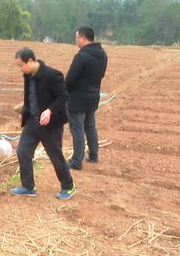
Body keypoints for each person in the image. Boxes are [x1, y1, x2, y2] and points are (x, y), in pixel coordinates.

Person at [11, 48, 76, 200]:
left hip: (50, 124)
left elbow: (63, 96)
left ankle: (68, 186)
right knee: (23, 151)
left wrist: (50, 111)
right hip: (32, 122)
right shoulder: (28, 76)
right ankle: (28, 186)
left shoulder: (52, 75)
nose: (21, 69)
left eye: (21, 65)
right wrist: (24, 111)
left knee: (55, 156)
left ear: (30, 61)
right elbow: (30, 97)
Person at [65, 27, 108, 170]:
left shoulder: (81, 56)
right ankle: (94, 155)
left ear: (83, 38)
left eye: (76, 37)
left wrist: (64, 91)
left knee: (77, 128)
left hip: (78, 98)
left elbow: (70, 79)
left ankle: (77, 161)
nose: (76, 40)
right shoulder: (102, 54)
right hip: (93, 95)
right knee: (90, 126)